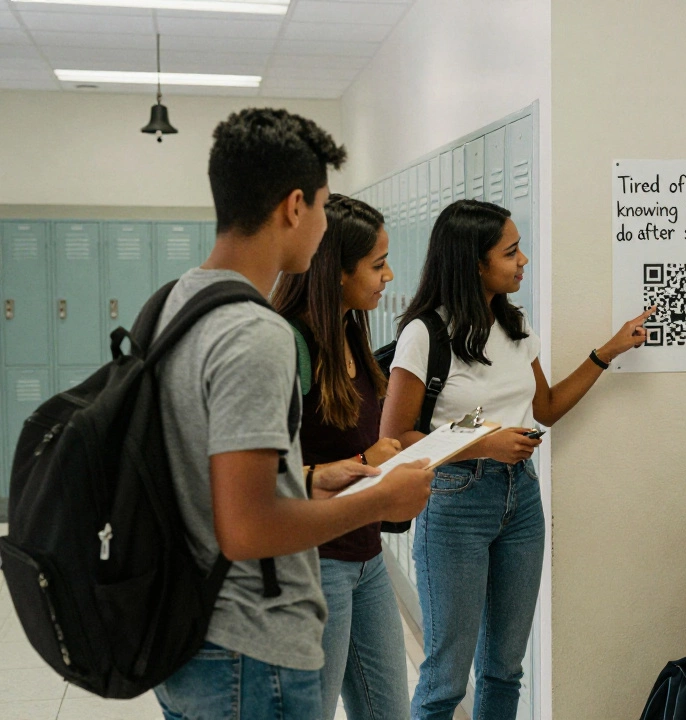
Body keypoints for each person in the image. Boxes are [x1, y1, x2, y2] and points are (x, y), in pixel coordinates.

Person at [151, 108, 433, 720]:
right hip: (248, 647)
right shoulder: (258, 334)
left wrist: (308, 477)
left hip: (182, 624)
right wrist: (380, 500)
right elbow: (248, 527)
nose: (327, 222)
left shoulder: (176, 301)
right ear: (295, 206)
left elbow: (213, 478)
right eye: (326, 207)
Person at [380, 198, 654, 720]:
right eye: (511, 251)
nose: (523, 259)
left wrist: (608, 351)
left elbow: (545, 408)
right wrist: (483, 442)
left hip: (521, 499)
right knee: (444, 680)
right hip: (455, 500)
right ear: (474, 262)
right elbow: (394, 438)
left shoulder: (516, 324)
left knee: (505, 670)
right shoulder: (424, 334)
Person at [272, 194, 411, 720]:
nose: (389, 275)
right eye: (377, 265)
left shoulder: (353, 330)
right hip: (315, 562)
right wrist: (355, 460)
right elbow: (260, 474)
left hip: (366, 556)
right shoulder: (289, 344)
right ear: (334, 272)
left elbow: (362, 442)